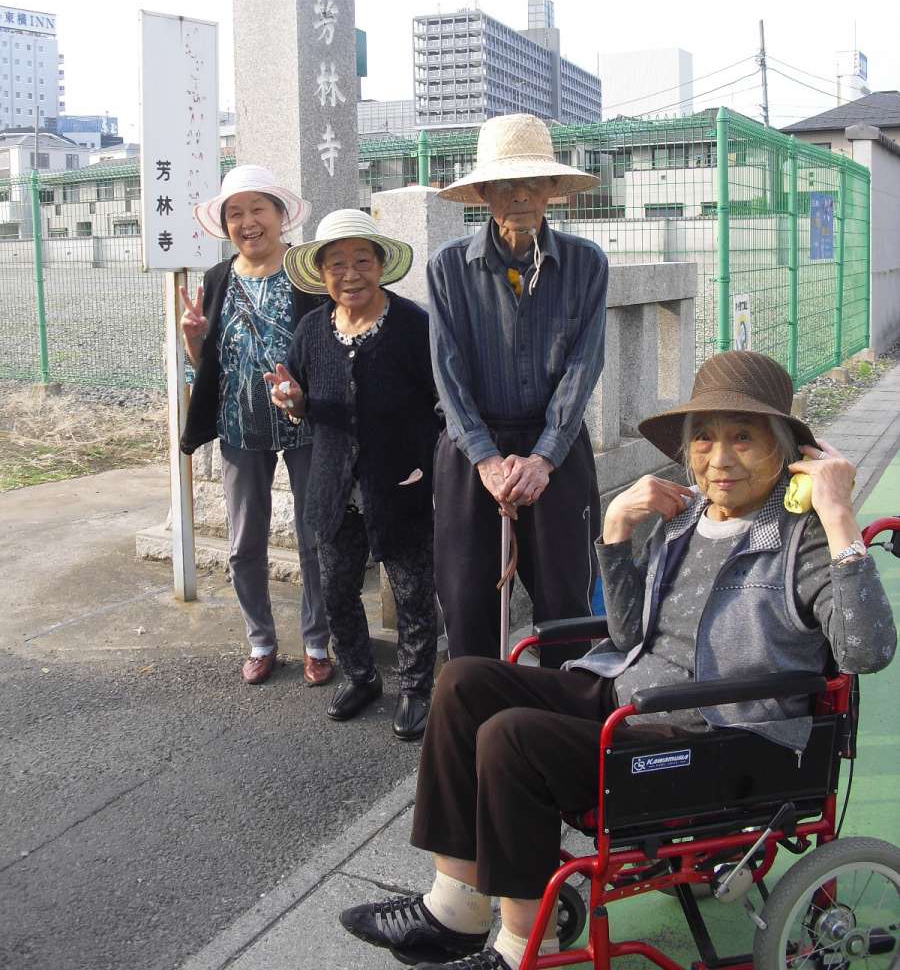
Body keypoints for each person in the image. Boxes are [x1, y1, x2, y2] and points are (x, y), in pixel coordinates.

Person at [339, 351, 896, 970]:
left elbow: (865, 650)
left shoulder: (805, 540)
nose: (719, 459)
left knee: (511, 738)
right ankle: (456, 910)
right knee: (464, 681)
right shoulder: (686, 518)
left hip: (717, 736)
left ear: (788, 451)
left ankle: (523, 949)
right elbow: (632, 634)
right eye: (704, 438)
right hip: (632, 696)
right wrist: (616, 529)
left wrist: (839, 515)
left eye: (743, 437)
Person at [427, 112, 609, 668]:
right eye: (505, 184)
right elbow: (448, 372)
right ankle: (477, 709)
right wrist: (486, 460)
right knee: (467, 601)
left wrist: (544, 457)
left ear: (553, 188)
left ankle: (562, 707)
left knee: (565, 599)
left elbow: (584, 364)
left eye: (533, 182)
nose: (521, 196)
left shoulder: (586, 263)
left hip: (556, 447)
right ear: (483, 193)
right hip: (472, 449)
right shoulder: (448, 267)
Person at [267, 209, 440, 741]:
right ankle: (361, 676)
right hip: (334, 485)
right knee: (337, 590)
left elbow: (443, 403)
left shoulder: (413, 326)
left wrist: (427, 463)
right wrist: (292, 402)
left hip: (402, 482)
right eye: (336, 264)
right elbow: (298, 399)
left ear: (381, 265)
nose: (350, 274)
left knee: (412, 592)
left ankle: (415, 687)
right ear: (321, 274)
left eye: (362, 261)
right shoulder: (311, 330)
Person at [179, 163, 333, 688]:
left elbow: (329, 343)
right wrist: (193, 338)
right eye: (235, 214)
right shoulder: (217, 278)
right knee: (245, 541)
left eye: (257, 209)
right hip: (239, 427)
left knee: (315, 538)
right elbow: (207, 364)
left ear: (280, 214)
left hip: (306, 423)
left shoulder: (306, 272)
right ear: (225, 224)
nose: (247, 223)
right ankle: (260, 640)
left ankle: (317, 642)